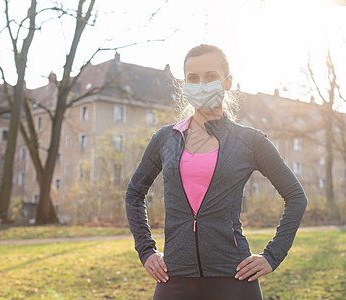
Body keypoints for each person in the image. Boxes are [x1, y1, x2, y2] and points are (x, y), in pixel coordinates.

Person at [125, 44, 307, 300]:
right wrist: (146, 250)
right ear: (184, 83)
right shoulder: (165, 139)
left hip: (234, 278)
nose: (201, 84)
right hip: (174, 277)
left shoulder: (250, 141)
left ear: (227, 82)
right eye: (193, 78)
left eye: (210, 76)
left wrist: (272, 256)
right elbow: (134, 193)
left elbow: (296, 196)